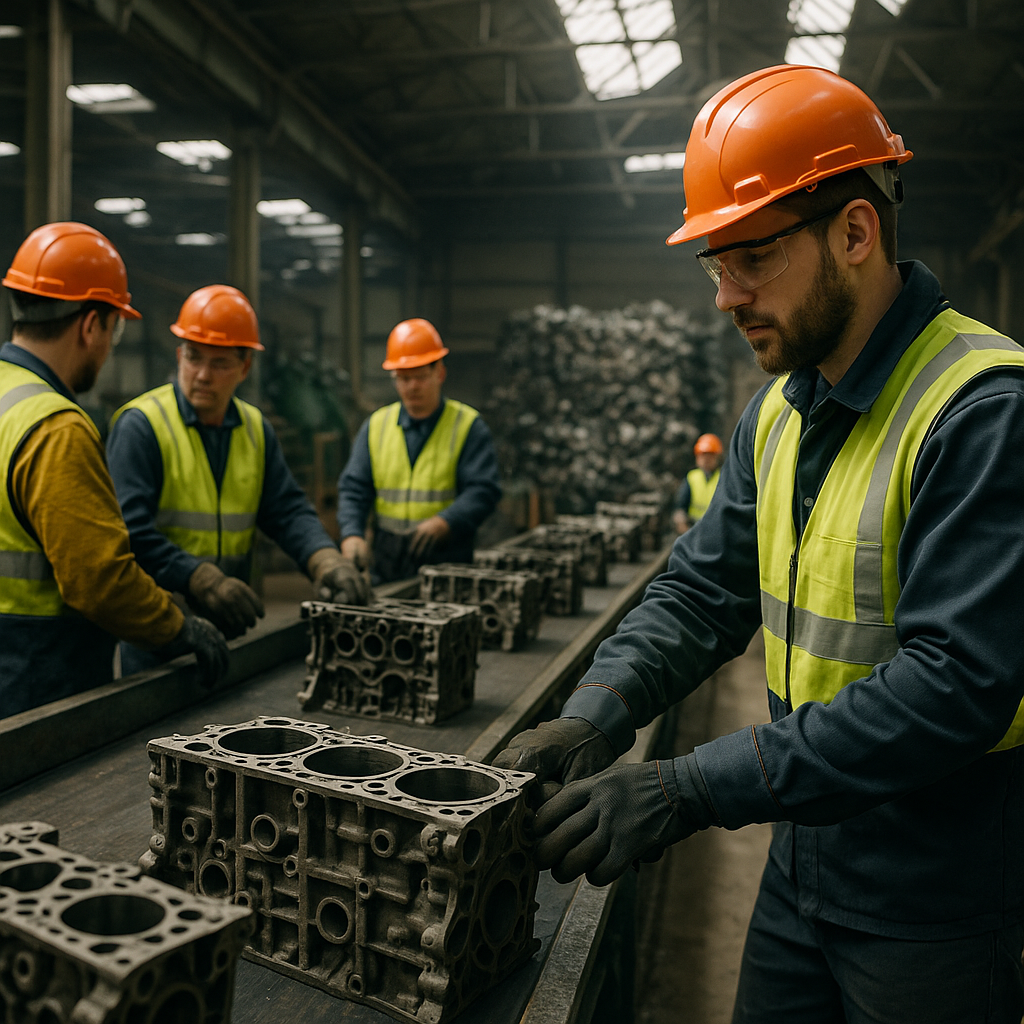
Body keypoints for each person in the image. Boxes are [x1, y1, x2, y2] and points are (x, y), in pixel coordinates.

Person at [494, 64, 1024, 1023]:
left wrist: (686, 788)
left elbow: (956, 686)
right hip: (803, 864)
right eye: (715, 263)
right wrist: (595, 716)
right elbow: (702, 593)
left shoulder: (981, 411)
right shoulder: (777, 413)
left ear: (855, 232)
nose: (725, 295)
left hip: (938, 899)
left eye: (754, 256)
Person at [0, 222, 229, 718]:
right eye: (113, 328)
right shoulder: (55, 426)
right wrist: (177, 626)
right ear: (90, 325)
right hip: (39, 681)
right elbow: (98, 581)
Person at [107, 284, 370, 675]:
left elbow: (285, 509)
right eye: (194, 358)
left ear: (245, 367)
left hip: (231, 625)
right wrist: (200, 578)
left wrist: (325, 559)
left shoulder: (254, 429)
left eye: (220, 363)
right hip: (163, 633)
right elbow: (130, 534)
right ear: (179, 355)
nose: (202, 375)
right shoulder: (142, 427)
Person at [337, 318, 501, 584]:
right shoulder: (377, 426)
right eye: (403, 378)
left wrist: (447, 521)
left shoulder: (468, 426)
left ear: (440, 374)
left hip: (447, 562)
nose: (412, 386)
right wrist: (352, 533)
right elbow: (354, 487)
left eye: (420, 376)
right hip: (388, 562)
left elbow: (483, 490)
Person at [672, 432, 723, 533]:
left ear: (717, 457)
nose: (706, 459)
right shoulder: (692, 477)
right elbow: (681, 506)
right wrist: (682, 523)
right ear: (697, 458)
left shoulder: (723, 477)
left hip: (717, 529)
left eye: (710, 455)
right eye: (703, 455)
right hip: (694, 528)